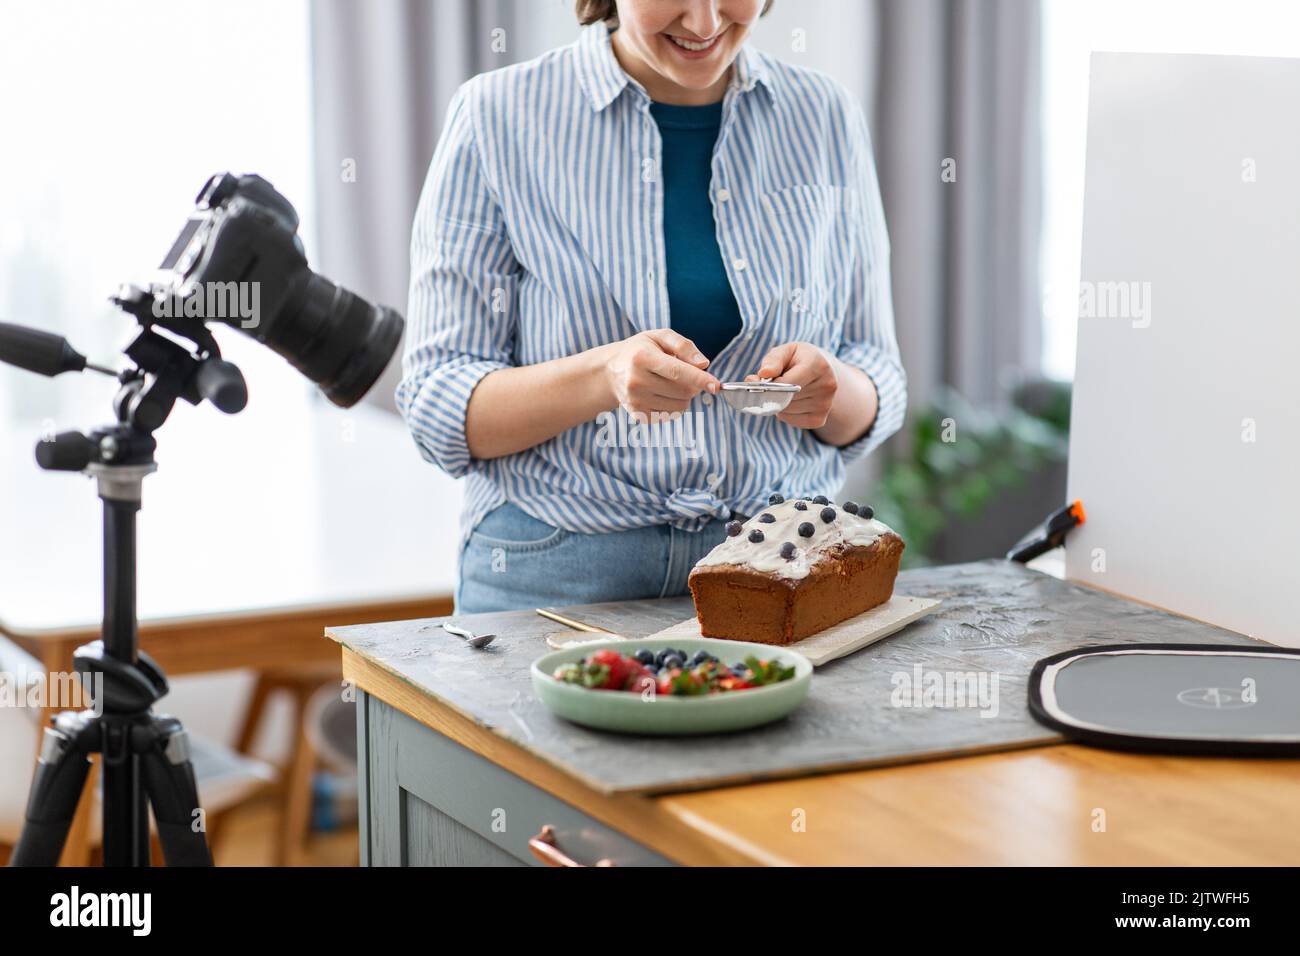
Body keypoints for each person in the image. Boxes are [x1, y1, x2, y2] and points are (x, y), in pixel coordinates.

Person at [399, 0, 906, 613]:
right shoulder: (496, 116)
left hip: (780, 566)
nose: (704, 22)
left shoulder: (824, 115)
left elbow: (875, 367)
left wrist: (832, 390)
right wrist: (603, 375)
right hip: (556, 568)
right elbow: (436, 403)